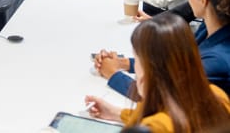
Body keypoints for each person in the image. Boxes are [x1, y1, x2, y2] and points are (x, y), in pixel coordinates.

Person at [95, 0, 230, 99]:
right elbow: (178, 64)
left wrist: (113, 74)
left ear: (203, 1)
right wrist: (124, 63)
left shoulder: (216, 61)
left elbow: (165, 101)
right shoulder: (211, 27)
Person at [85, 12, 230, 132]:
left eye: (137, 60)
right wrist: (115, 113)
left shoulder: (153, 128)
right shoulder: (217, 96)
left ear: (147, 69)